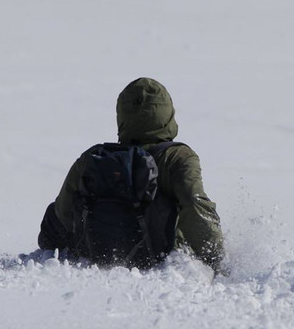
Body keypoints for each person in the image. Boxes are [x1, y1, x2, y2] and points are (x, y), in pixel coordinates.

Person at [38, 77, 225, 273]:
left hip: (96, 257)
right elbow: (195, 206)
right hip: (161, 263)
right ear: (167, 113)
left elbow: (63, 213)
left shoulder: (93, 158)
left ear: (122, 115)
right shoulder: (177, 157)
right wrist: (216, 261)